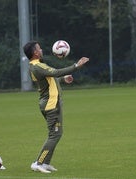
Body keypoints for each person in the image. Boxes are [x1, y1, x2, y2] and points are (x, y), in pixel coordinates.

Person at [23, 41, 89, 173]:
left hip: (50, 104)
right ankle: (38, 162)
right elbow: (56, 72)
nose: (41, 50)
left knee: (55, 134)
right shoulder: (37, 66)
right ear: (35, 52)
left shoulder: (36, 66)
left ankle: (45, 163)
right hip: (51, 105)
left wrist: (64, 79)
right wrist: (77, 65)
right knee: (55, 135)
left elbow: (50, 81)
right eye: (39, 48)